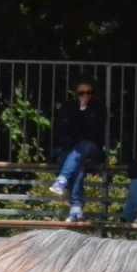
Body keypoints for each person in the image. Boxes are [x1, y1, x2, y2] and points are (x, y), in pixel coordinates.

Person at [49, 78, 107, 223]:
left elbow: (94, 134)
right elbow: (64, 131)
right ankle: (76, 207)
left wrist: (84, 111)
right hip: (72, 152)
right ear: (76, 93)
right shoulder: (68, 107)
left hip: (92, 149)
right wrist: (79, 111)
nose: (85, 95)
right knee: (78, 163)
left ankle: (62, 180)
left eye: (89, 92)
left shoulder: (99, 108)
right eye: (82, 93)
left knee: (83, 148)